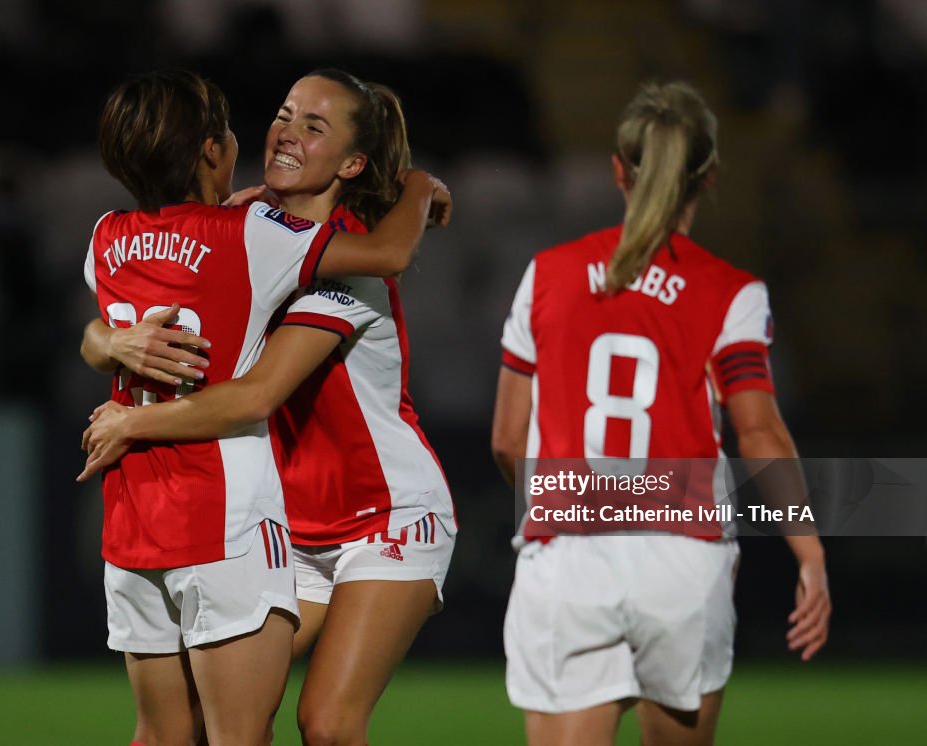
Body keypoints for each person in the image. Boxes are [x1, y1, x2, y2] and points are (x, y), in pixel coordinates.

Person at [80, 69, 456, 746]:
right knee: (195, 719)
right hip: (298, 524)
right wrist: (110, 339)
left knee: (327, 724)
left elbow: (255, 395)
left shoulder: (343, 268)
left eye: (315, 125)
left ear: (350, 162)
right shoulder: (245, 234)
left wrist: (131, 419)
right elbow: (106, 314)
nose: (287, 130)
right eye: (285, 113)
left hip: (388, 516)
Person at [491, 81, 831, 746]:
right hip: (680, 561)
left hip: (570, 560)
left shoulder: (548, 274)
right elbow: (758, 429)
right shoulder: (730, 292)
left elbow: (508, 441)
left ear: (619, 169)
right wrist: (809, 553)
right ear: (707, 176)